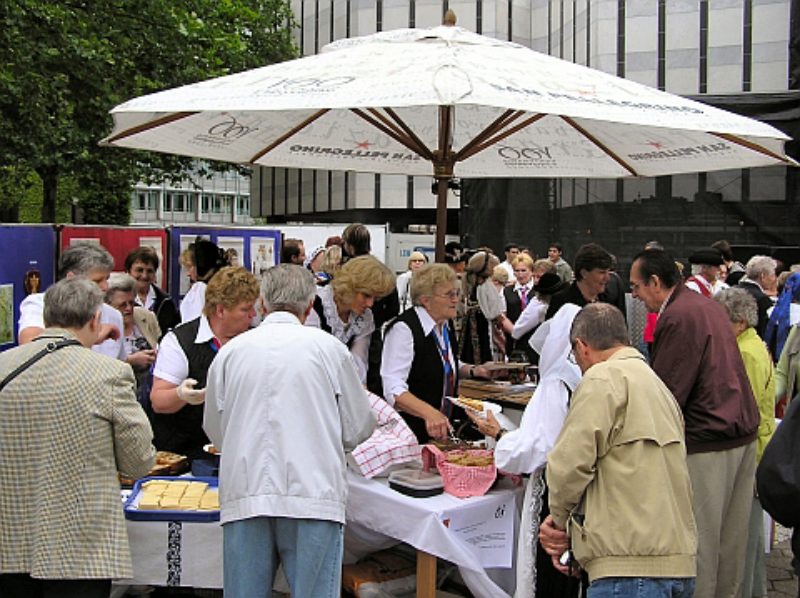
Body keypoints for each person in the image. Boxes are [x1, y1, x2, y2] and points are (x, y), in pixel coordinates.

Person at [203, 264, 375, 598]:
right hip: (313, 493)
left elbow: (216, 430)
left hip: (248, 491)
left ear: (262, 306)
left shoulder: (231, 354)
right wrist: (322, 438)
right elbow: (358, 427)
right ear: (309, 306)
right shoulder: (330, 350)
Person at [0, 277, 155, 598]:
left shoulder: (3, 367)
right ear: (96, 319)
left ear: (45, 319)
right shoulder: (108, 374)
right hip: (79, 546)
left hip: (7, 541)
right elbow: (139, 462)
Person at [629, 248, 759, 598]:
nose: (636, 296)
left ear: (656, 282)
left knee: (701, 544)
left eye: (637, 287)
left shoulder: (681, 314)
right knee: (729, 544)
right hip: (738, 434)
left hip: (709, 442)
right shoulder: (704, 305)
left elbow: (668, 393)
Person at [543, 303, 697, 598]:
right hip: (677, 563)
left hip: (628, 566)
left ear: (582, 347)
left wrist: (559, 521)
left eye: (574, 357)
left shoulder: (601, 379)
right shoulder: (658, 386)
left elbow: (569, 466)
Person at [470, 303, 583, 598]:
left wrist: (500, 433)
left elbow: (540, 447)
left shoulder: (556, 382)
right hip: (578, 485)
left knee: (549, 569)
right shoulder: (583, 377)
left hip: (555, 489)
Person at [150, 267, 259, 467]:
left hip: (242, 454)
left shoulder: (255, 340)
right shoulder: (179, 341)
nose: (253, 315)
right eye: (245, 309)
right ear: (220, 310)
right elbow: (158, 401)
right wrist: (181, 395)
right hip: (186, 456)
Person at [381, 263, 491, 442]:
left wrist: (473, 370)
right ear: (426, 300)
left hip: (441, 431)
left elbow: (446, 362)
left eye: (457, 294)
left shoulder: (443, 324)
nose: (456, 300)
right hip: (410, 432)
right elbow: (393, 388)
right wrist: (429, 413)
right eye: (449, 295)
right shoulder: (404, 329)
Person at [714, 288, 776, 598]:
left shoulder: (746, 352)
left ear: (738, 321)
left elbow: (744, 403)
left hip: (753, 450)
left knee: (747, 534)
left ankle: (750, 591)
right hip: (757, 444)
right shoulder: (749, 345)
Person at [19, 242, 125, 360]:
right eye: (97, 281)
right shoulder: (40, 304)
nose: (105, 286)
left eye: (107, 279)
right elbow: (30, 349)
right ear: (71, 279)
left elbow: (120, 364)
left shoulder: (114, 315)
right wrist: (90, 337)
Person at [306, 255, 396, 385]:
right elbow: (310, 359)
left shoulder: (364, 317)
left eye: (375, 299)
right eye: (366, 295)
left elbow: (358, 362)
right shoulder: (314, 305)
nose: (370, 303)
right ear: (349, 286)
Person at [105, 273, 160, 404]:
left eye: (132, 303)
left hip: (149, 394)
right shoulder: (100, 326)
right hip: (117, 396)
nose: (129, 309)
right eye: (122, 305)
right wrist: (130, 360)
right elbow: (99, 365)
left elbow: (158, 342)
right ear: (107, 305)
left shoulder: (146, 316)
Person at [545, 243, 615, 320]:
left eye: (608, 272)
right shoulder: (561, 302)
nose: (607, 278)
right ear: (584, 273)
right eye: (602, 272)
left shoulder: (609, 299)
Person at [124, 246, 180, 334]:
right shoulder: (119, 301)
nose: (144, 276)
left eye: (150, 271)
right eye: (139, 270)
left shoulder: (166, 302)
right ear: (128, 271)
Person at [180, 238, 226, 322]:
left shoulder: (200, 289)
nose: (188, 273)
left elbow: (192, 323)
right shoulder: (225, 287)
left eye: (190, 267)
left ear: (202, 265)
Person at [502, 253, 536, 361]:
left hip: (534, 338)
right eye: (517, 271)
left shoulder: (538, 291)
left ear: (531, 271)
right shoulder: (507, 291)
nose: (520, 274)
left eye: (523, 270)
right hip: (513, 340)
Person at [737, 255, 778, 339]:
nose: (774, 279)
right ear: (762, 276)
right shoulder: (762, 300)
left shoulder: (729, 291)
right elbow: (765, 332)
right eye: (773, 275)